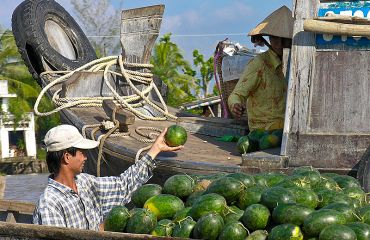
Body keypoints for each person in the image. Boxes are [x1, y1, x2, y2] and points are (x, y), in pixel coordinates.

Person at [33, 124, 182, 230]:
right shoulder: (49, 203)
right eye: (81, 152)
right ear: (67, 157)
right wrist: (101, 229)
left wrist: (155, 149)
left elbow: (123, 185)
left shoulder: (85, 182)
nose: (85, 157)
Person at [228, 6, 294, 131]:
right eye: (275, 38)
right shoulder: (259, 64)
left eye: (285, 39)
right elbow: (236, 95)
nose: (280, 44)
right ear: (268, 38)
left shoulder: (297, 63)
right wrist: (235, 106)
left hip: (288, 130)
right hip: (263, 132)